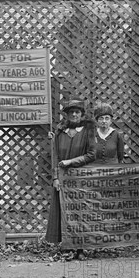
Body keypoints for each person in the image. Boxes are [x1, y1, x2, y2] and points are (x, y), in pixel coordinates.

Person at [45, 100, 96, 260]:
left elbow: (92, 154)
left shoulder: (88, 131)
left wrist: (71, 162)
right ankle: (67, 247)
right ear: (66, 115)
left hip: (81, 178)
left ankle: (80, 249)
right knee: (64, 212)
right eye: (71, 112)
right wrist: (55, 177)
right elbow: (56, 157)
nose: (74, 115)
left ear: (82, 114)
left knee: (80, 213)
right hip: (63, 178)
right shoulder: (60, 133)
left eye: (77, 112)